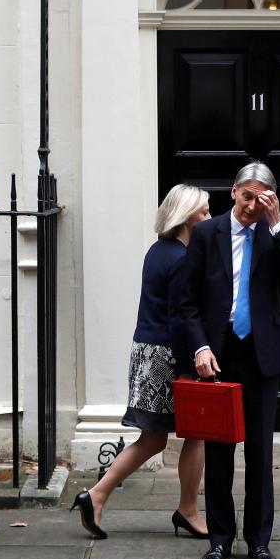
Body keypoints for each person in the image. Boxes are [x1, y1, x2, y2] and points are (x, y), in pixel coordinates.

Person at [180, 161, 280, 559]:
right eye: (247, 196)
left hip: (262, 354)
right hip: (217, 355)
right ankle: (219, 538)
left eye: (261, 198)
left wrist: (277, 224)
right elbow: (186, 303)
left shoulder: (274, 233)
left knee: (260, 453)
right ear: (233, 191)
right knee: (218, 453)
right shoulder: (206, 233)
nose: (252, 205)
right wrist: (199, 348)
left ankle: (258, 540)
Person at [71, 184, 211, 540]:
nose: (209, 217)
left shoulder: (158, 251)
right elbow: (179, 318)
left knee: (153, 440)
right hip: (168, 356)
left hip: (147, 352)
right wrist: (191, 364)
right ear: (186, 217)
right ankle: (188, 510)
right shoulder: (181, 258)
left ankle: (97, 496)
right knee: (195, 435)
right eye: (204, 212)